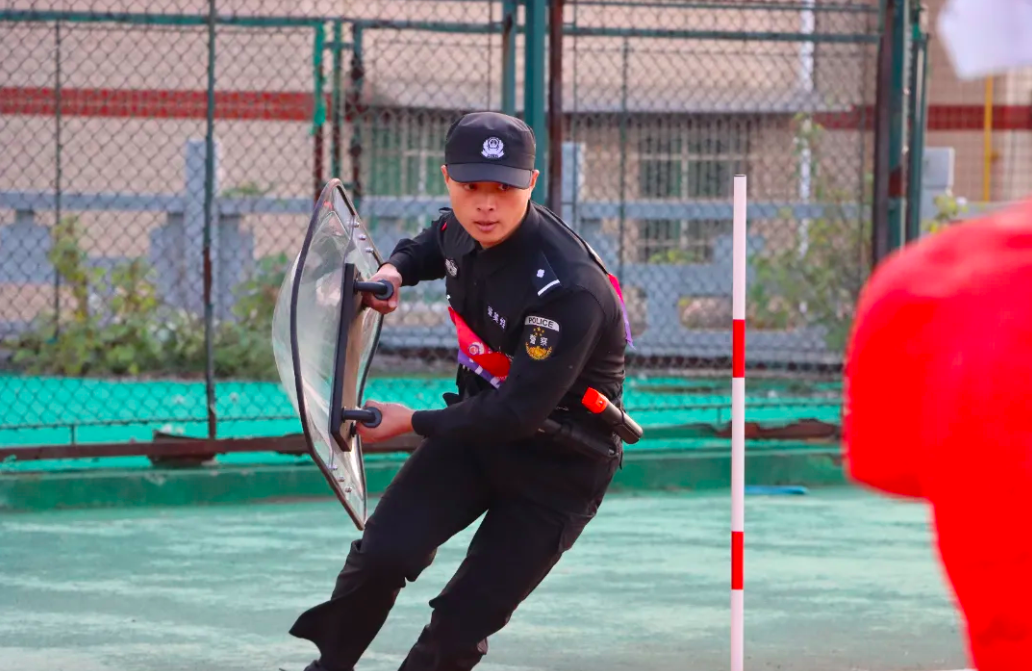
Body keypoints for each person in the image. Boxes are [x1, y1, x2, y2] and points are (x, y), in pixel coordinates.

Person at [288, 111, 634, 671]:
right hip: (475, 435)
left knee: (461, 621)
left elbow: (517, 413)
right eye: (471, 187)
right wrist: (395, 271)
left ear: (532, 183)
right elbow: (434, 243)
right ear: (448, 178)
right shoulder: (462, 228)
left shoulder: (568, 290)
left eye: (504, 189)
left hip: (559, 468)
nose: (486, 205)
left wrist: (410, 422)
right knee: (382, 554)